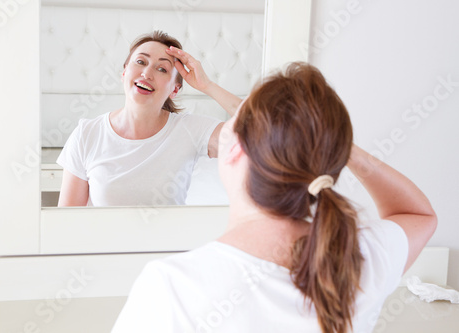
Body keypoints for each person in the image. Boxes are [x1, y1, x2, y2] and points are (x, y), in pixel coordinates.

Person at [111, 62, 437, 332]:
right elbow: (419, 216)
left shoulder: (172, 289)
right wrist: (333, 143)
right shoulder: (361, 256)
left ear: (235, 148)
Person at [57, 31, 241, 206]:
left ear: (174, 89)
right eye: (140, 61)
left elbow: (261, 129)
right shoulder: (87, 134)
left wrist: (207, 85)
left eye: (162, 69)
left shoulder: (191, 129)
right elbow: (65, 221)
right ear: (124, 72)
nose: (147, 73)